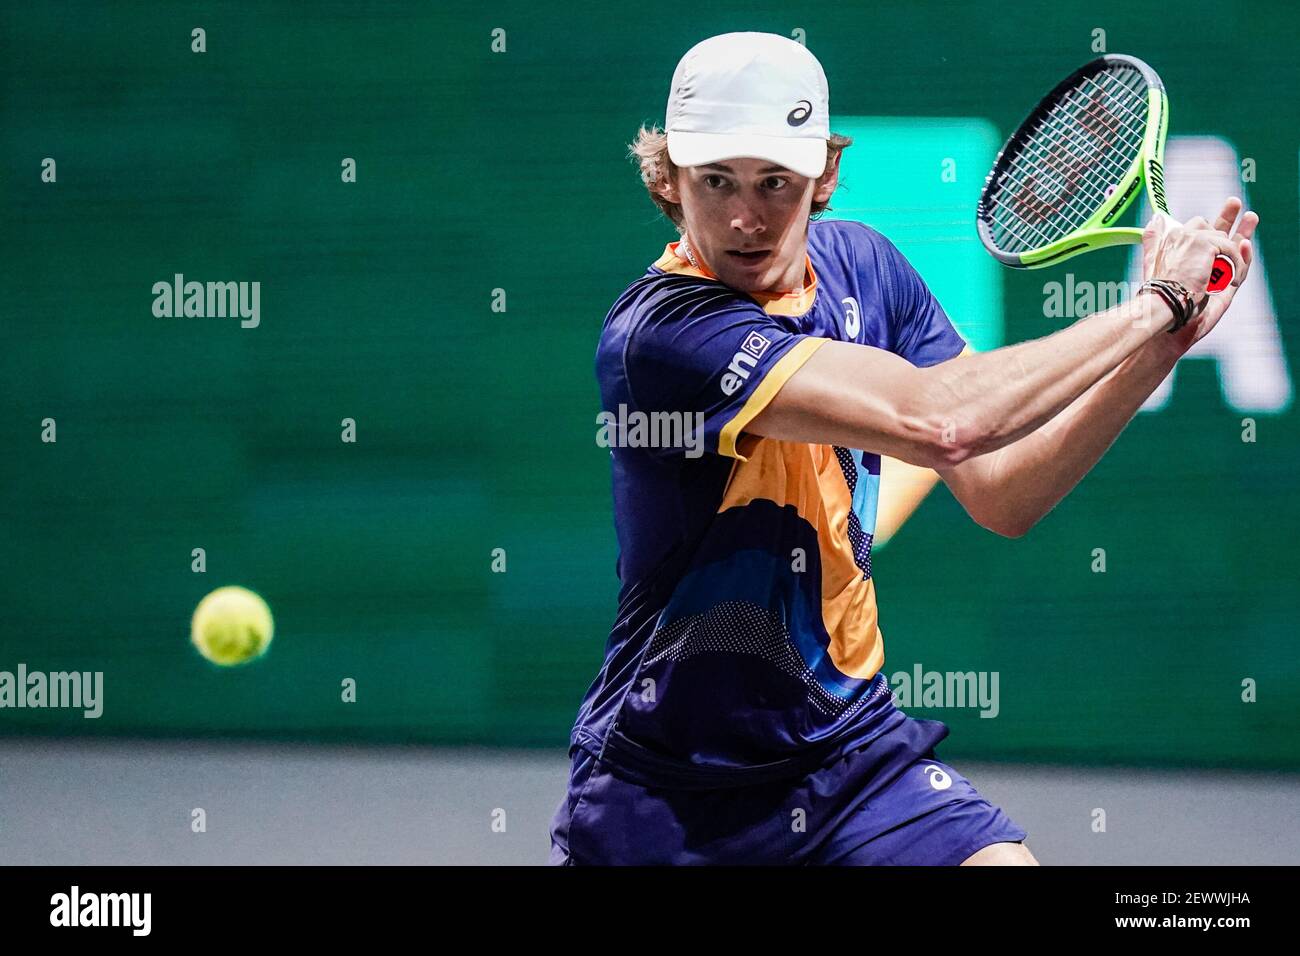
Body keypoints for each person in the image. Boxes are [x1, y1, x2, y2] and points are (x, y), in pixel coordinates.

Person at [549, 31, 1256, 865]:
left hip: (851, 760)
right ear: (668, 180)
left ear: (825, 177)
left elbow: (1001, 492)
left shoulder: (867, 269)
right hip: (668, 796)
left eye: (776, 182)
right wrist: (1155, 303)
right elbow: (943, 421)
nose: (747, 216)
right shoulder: (661, 335)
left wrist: (1157, 351)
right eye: (717, 182)